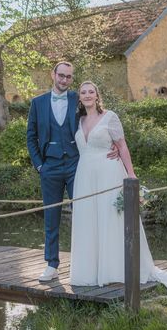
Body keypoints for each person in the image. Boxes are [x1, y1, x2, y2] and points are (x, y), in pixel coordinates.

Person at [69, 81, 167, 292]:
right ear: (80, 97)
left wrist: (131, 175)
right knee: (88, 220)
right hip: (84, 175)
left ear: (97, 95)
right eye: (83, 92)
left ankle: (114, 271)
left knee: (111, 219)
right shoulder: (78, 119)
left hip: (108, 173)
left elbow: (121, 145)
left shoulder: (110, 117)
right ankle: (91, 272)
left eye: (91, 92)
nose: (87, 95)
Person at [27, 62, 119, 283]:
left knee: (85, 213)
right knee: (51, 217)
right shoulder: (37, 103)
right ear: (53, 75)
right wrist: (40, 165)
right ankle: (51, 264)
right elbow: (31, 137)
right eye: (61, 75)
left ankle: (90, 263)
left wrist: (112, 144)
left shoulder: (77, 99)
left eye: (68, 77)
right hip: (49, 167)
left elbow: (99, 119)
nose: (64, 80)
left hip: (77, 166)